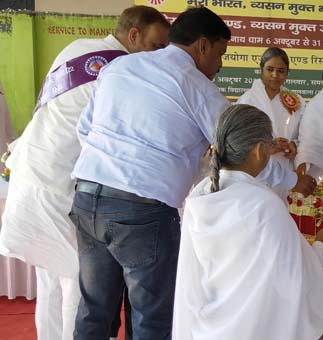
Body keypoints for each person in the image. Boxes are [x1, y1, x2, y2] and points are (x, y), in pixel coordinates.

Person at [0, 6, 169, 340]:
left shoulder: (77, 48)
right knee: (80, 282)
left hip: (29, 172)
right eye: (155, 46)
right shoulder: (122, 71)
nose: (159, 56)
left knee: (51, 279)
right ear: (133, 35)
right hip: (57, 185)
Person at [68, 7, 230, 339]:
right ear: (202, 45)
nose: (220, 63)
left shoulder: (120, 66)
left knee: (94, 311)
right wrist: (288, 177)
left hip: (88, 199)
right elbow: (237, 147)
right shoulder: (196, 85)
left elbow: (85, 130)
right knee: (152, 319)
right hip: (142, 210)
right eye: (220, 53)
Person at [172, 104, 323, 340]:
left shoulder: (198, 197)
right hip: (252, 328)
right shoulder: (264, 205)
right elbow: (292, 275)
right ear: (260, 150)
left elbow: (192, 278)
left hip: (207, 328)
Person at [236, 47, 315, 199]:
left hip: (286, 171)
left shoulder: (296, 101)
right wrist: (266, 147)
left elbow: (305, 136)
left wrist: (294, 145)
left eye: (281, 71)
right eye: (270, 69)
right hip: (256, 171)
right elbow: (239, 140)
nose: (275, 75)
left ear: (287, 73)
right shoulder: (247, 100)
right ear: (261, 70)